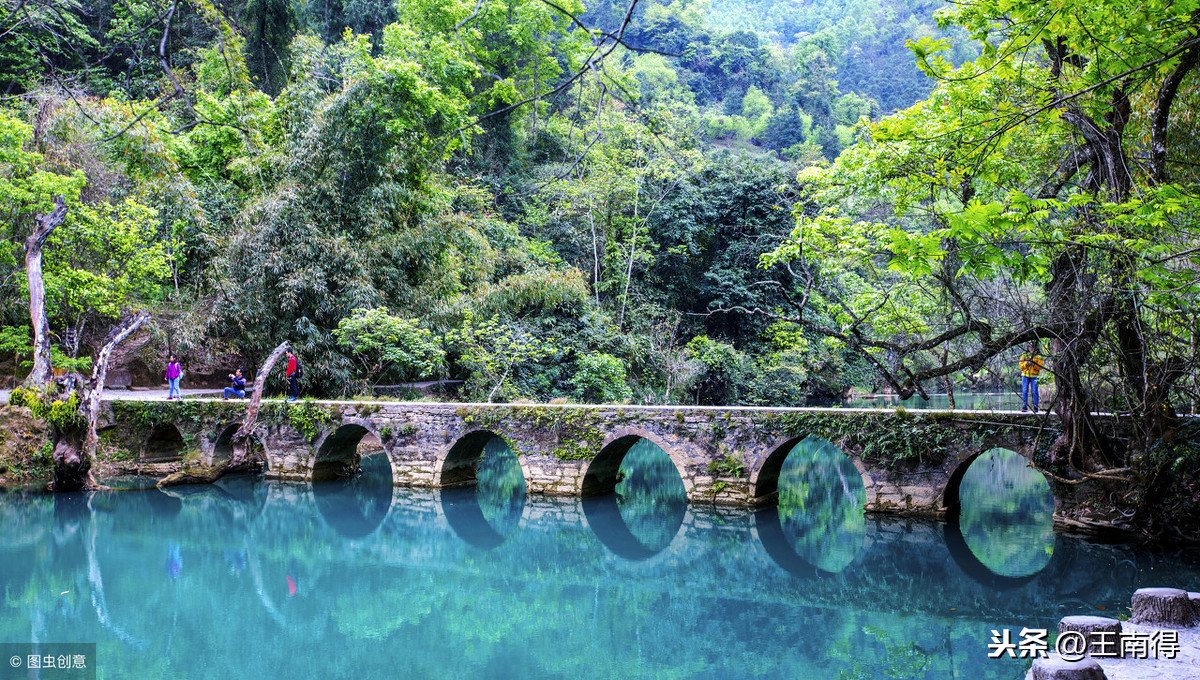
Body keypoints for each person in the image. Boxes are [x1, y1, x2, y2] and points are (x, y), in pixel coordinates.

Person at [1019, 344, 1044, 412]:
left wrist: (1033, 364)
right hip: (1025, 375)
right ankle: (1024, 406)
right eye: (1029, 346)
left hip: (1034, 376)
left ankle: (1036, 407)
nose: (1031, 348)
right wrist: (1026, 364)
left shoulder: (1038, 355)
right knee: (1025, 391)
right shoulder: (1024, 354)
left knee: (1035, 391)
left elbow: (1040, 367)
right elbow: (1020, 365)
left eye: (1032, 346)